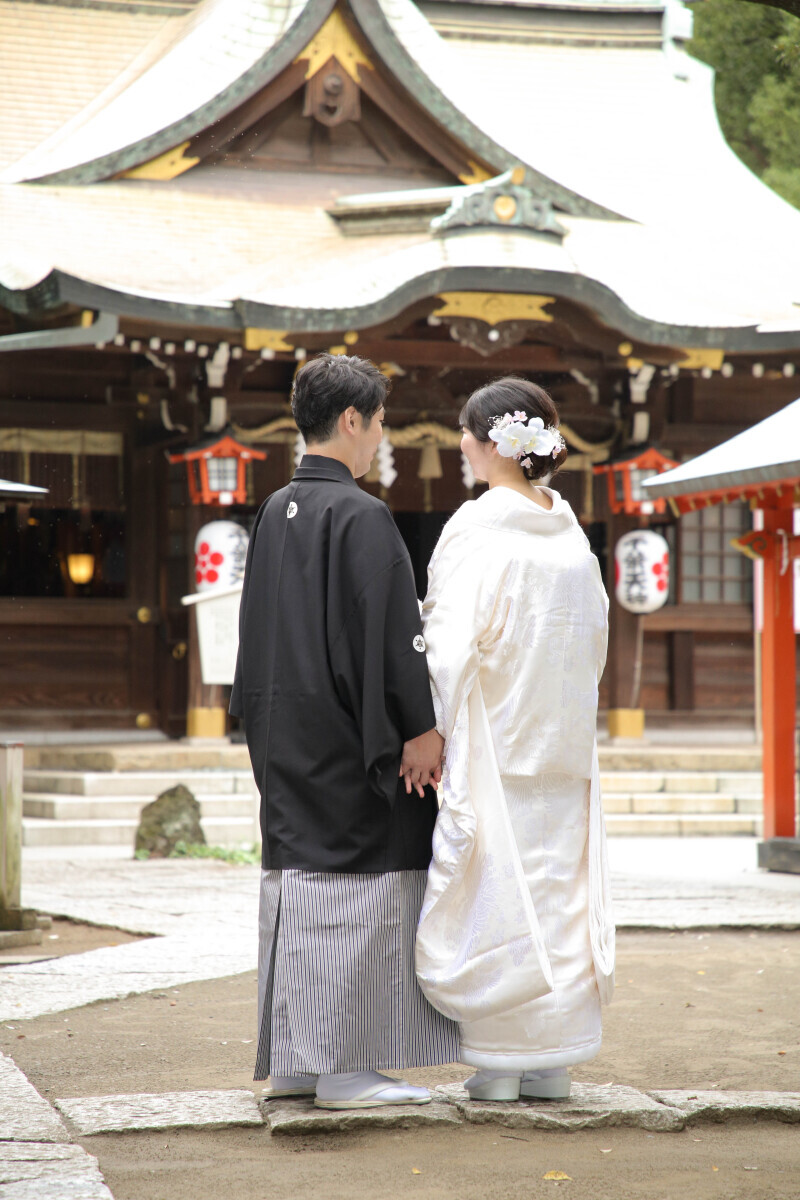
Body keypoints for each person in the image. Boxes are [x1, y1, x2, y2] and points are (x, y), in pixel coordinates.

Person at [231, 353, 458, 1110]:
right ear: (353, 420)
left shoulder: (274, 510)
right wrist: (420, 728)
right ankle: (346, 1068)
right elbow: (395, 636)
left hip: (283, 732)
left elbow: (257, 630)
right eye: (381, 421)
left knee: (297, 887)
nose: (381, 437)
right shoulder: (361, 514)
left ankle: (298, 1060)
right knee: (357, 890)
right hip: (346, 738)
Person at [415, 376, 615, 1103]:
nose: (461, 448)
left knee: (495, 884)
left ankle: (499, 1059)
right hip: (562, 738)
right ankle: (553, 1059)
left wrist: (433, 726)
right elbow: (593, 638)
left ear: (490, 443)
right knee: (560, 885)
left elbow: (448, 642)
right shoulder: (569, 532)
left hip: (499, 734)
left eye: (465, 436)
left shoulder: (478, 527)